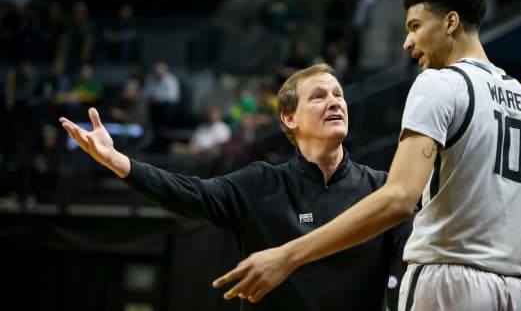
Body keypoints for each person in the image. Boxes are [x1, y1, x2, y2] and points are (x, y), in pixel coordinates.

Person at [212, 0, 521, 311]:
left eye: (414, 26)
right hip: (513, 292)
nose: (407, 42)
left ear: (451, 22)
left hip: (447, 284)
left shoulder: (440, 83)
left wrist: (288, 255)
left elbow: (399, 199)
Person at [58, 63, 411, 310]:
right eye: (319, 96)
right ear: (289, 118)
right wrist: (120, 162)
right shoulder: (261, 183)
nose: (335, 101)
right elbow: (189, 193)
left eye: (339, 94)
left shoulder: (382, 190)